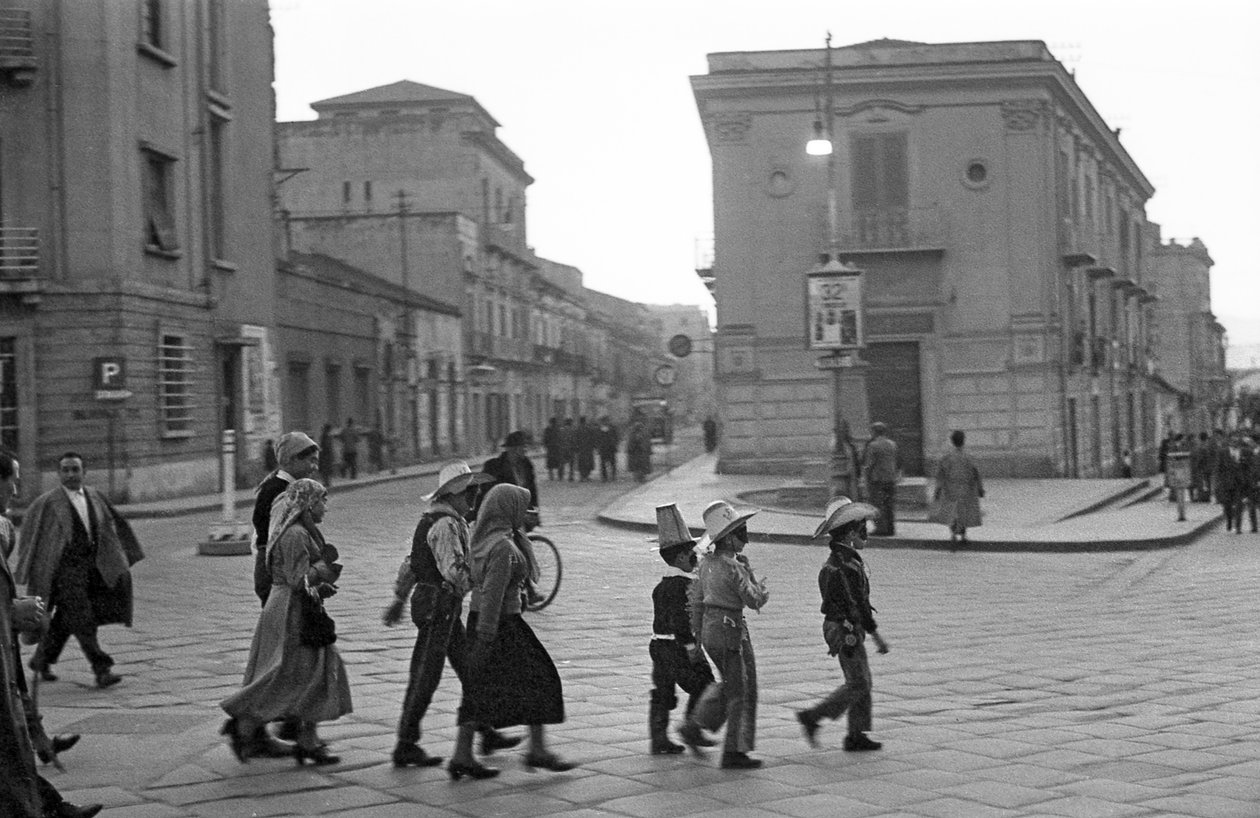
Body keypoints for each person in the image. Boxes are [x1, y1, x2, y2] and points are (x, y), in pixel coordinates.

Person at [382, 462, 519, 768]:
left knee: (470, 669)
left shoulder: (435, 519)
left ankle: (484, 729)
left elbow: (411, 563)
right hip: (438, 606)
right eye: (470, 491)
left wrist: (399, 598)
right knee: (425, 676)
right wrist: (486, 575)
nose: (475, 496)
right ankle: (406, 743)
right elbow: (454, 572)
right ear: (454, 493)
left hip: (437, 605)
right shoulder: (446, 525)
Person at [222, 479, 352, 765]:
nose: (326, 508)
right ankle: (244, 725)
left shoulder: (302, 531)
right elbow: (297, 580)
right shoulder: (295, 535)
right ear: (307, 504)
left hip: (296, 607)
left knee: (313, 671)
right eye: (322, 500)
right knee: (288, 675)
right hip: (292, 613)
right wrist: (323, 569)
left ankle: (305, 740)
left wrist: (321, 584)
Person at [0, 452, 101, 818]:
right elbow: (35, 551)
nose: (15, 489)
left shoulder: (91, 499)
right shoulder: (39, 507)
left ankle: (49, 801)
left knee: (13, 741)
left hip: (8, 648)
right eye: (10, 480)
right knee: (10, 744)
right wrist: (13, 612)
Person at [455, 484, 572, 778]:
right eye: (521, 507)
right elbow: (493, 595)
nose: (526, 512)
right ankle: (535, 750)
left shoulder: (484, 540)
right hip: (498, 625)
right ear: (506, 510)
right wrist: (484, 639)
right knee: (539, 678)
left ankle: (465, 754)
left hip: (486, 621)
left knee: (480, 688)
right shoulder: (503, 548)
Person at [16, 452, 143, 690]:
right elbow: (33, 539)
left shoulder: (95, 496)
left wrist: (120, 557)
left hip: (92, 568)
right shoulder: (47, 503)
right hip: (63, 571)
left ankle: (41, 659)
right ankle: (101, 668)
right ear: (59, 473)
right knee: (83, 617)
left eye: (75, 469)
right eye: (65, 470)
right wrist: (36, 570)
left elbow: (111, 526)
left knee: (68, 617)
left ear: (85, 472)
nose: (70, 474)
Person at [795, 496, 889, 752]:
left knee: (862, 680)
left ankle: (856, 734)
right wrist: (876, 635)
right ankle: (813, 717)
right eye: (861, 530)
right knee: (858, 682)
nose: (865, 535)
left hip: (846, 625)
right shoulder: (843, 565)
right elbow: (857, 603)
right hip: (844, 628)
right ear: (849, 533)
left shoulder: (845, 560)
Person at [684, 500, 769, 769]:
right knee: (741, 690)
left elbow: (696, 601)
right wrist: (755, 579)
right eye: (741, 534)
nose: (745, 539)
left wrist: (697, 638)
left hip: (711, 630)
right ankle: (734, 751)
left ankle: (697, 725)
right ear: (729, 538)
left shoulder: (706, 564)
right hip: (731, 630)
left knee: (731, 684)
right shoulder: (734, 567)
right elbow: (754, 600)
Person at [647, 504, 714, 755]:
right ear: (680, 558)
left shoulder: (661, 586)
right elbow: (681, 621)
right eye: (692, 556)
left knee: (662, 691)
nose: (696, 560)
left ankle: (658, 738)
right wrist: (690, 647)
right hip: (677, 645)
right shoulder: (683, 587)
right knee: (703, 684)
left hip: (657, 645)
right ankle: (691, 727)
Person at [931, 430, 984, 547]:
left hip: (951, 488)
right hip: (966, 488)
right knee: (964, 511)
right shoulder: (969, 457)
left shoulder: (947, 458)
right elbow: (976, 473)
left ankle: (953, 534)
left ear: (952, 442)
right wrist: (980, 488)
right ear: (963, 441)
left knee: (953, 512)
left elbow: (940, 474)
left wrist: (938, 490)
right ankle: (964, 535)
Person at [480, 431, 539, 511]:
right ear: (513, 449)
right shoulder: (493, 466)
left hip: (523, 511)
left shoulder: (527, 464)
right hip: (502, 512)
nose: (525, 450)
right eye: (522, 447)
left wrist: (535, 511)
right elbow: (486, 492)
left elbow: (532, 490)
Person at [861, 422, 899, 536]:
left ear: (874, 432)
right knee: (889, 504)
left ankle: (881, 528)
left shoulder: (873, 445)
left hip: (877, 479)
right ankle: (891, 528)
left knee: (878, 504)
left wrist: (865, 476)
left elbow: (869, 464)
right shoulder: (892, 444)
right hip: (891, 478)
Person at [1215, 433, 1249, 533]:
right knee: (1227, 504)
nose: (1235, 443)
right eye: (1233, 441)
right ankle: (1229, 520)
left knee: (1239, 505)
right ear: (1230, 442)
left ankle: (1238, 526)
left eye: (1237, 441)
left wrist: (1246, 479)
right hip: (1226, 483)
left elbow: (1247, 467)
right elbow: (1218, 467)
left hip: (1239, 483)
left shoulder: (1244, 452)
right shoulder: (1223, 452)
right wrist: (1218, 481)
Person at [829, 420, 862, 501]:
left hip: (851, 475)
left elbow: (855, 458)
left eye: (845, 429)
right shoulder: (836, 444)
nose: (844, 432)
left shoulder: (850, 444)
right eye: (842, 430)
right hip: (841, 476)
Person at [627, 414, 653, 483]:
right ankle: (639, 477)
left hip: (641, 453)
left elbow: (647, 442)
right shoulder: (633, 434)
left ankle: (641, 477)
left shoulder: (644, 433)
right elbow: (630, 444)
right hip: (637, 453)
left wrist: (649, 450)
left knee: (641, 466)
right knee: (638, 466)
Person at [597, 417, 619, 481]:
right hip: (611, 448)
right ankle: (613, 476)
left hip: (603, 449)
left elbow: (598, 439)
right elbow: (616, 438)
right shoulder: (612, 429)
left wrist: (599, 447)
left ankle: (604, 477)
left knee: (603, 463)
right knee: (612, 463)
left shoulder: (599, 430)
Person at [575, 416, 596, 481]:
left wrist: (576, 447)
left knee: (581, 462)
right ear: (585, 421)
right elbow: (592, 438)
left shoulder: (578, 429)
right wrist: (594, 446)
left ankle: (582, 476)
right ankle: (586, 476)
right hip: (588, 448)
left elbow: (575, 439)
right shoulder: (589, 429)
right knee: (588, 462)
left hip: (581, 448)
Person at [318, 423, 336, 488]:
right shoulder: (327, 436)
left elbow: (323, 446)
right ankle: (327, 482)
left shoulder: (324, 436)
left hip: (324, 454)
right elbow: (328, 446)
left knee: (325, 469)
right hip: (326, 455)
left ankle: (326, 482)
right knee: (326, 469)